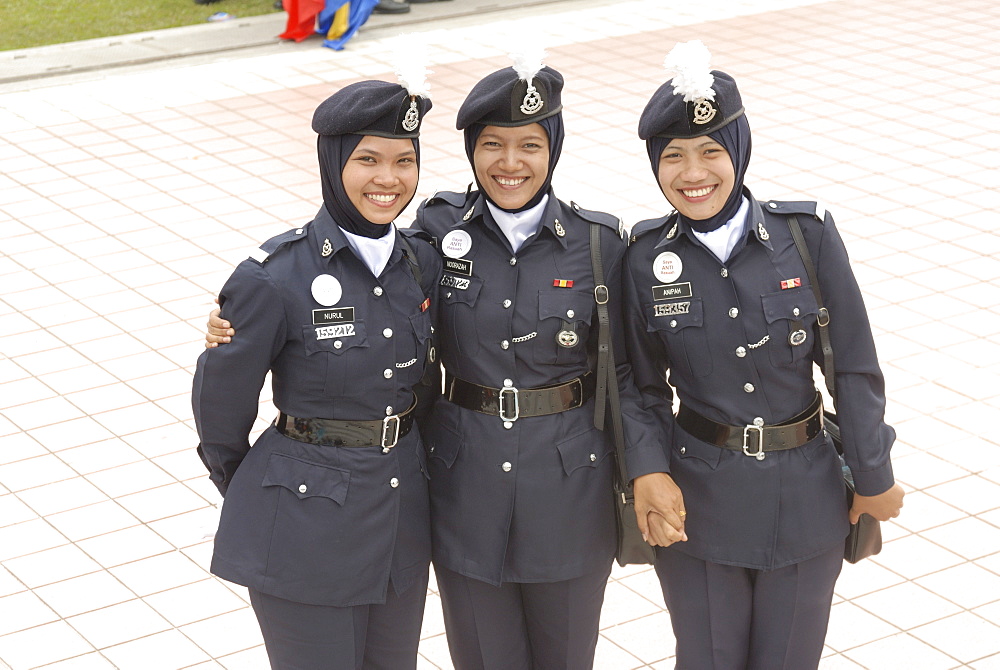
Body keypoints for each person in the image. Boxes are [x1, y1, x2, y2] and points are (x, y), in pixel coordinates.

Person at [206, 51, 666, 670]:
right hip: (463, 485)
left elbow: (630, 373)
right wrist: (262, 488)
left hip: (566, 487)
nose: (511, 163)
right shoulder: (433, 235)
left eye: (529, 144)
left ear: (553, 148)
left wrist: (647, 467)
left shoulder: (597, 242)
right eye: (492, 145)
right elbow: (229, 405)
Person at [622, 41, 904, 668]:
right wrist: (647, 469)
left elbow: (852, 365)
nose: (693, 173)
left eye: (711, 151)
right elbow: (634, 384)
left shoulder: (805, 236)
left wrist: (873, 471)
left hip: (806, 498)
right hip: (697, 503)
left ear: (740, 152)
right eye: (673, 157)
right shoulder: (641, 257)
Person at [192, 76, 441, 670]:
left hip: (399, 513)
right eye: (368, 159)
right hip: (304, 523)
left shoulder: (420, 261)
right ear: (333, 162)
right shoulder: (273, 275)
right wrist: (258, 483)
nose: (389, 178)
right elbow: (220, 407)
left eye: (404, 161)